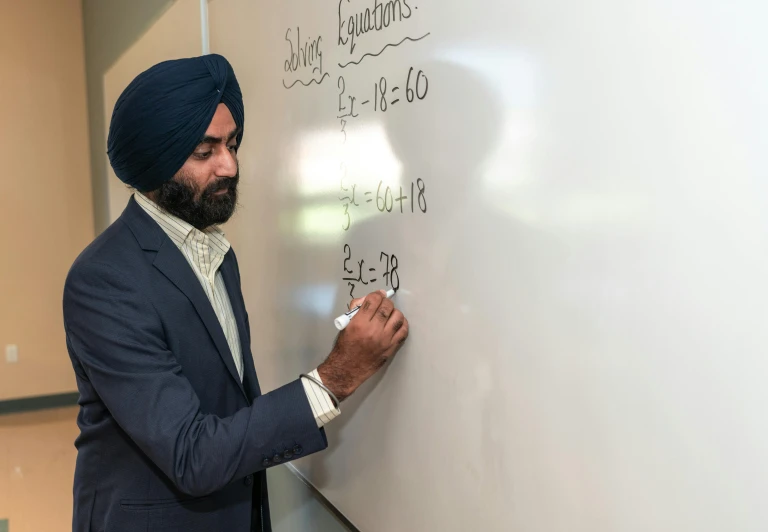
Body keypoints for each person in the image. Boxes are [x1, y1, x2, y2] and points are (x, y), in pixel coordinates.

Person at [62, 53, 409, 532]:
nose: (229, 165)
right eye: (204, 152)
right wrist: (335, 376)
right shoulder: (104, 280)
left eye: (232, 143)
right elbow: (191, 453)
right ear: (154, 163)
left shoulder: (215, 253)